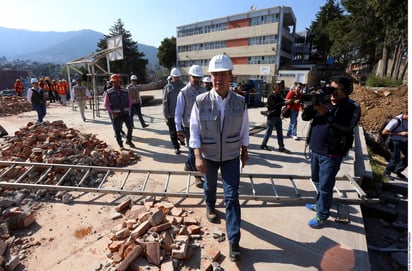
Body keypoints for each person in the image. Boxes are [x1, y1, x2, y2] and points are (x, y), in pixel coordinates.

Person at [190, 54, 249, 262]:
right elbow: (194, 129)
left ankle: (234, 241)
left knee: (232, 197)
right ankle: (210, 204)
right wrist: (197, 155)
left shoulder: (240, 101)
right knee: (210, 186)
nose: (218, 79)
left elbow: (244, 128)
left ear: (230, 76)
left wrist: (245, 149)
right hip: (210, 154)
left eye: (222, 74)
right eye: (214, 75)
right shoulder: (201, 101)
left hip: (232, 155)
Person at [302, 75, 361, 228]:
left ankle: (322, 214)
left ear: (346, 90)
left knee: (325, 185)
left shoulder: (351, 107)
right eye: (331, 87)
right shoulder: (325, 101)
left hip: (332, 153)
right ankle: (319, 204)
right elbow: (305, 117)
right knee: (316, 179)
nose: (332, 92)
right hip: (315, 150)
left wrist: (325, 114)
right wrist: (313, 104)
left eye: (336, 89)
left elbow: (346, 128)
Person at [175, 64, 206, 186]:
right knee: (193, 151)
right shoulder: (183, 93)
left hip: (202, 125)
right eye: (195, 77)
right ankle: (197, 176)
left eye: (199, 77)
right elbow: (178, 113)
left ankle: (188, 165)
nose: (197, 79)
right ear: (189, 77)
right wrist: (179, 130)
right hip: (188, 126)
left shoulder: (203, 90)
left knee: (198, 150)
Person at [104, 74, 135, 149]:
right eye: (114, 82)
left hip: (125, 113)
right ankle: (120, 145)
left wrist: (129, 109)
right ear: (112, 83)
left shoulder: (125, 91)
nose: (116, 83)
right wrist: (112, 112)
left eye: (117, 82)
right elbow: (106, 104)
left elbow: (130, 101)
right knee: (117, 131)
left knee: (130, 127)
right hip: (116, 114)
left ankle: (129, 140)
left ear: (119, 82)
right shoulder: (109, 92)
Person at [260, 82, 290, 153]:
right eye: (278, 89)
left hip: (278, 117)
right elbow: (274, 105)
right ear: (274, 89)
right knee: (268, 132)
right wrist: (285, 103)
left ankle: (281, 147)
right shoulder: (271, 96)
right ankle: (263, 145)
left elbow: (283, 101)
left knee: (280, 133)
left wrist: (289, 101)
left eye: (280, 89)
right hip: (272, 117)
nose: (280, 91)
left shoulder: (278, 96)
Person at [162, 68, 185, 154]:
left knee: (183, 129)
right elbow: (165, 102)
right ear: (172, 77)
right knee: (173, 132)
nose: (176, 78)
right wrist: (166, 115)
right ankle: (176, 147)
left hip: (182, 114)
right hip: (171, 114)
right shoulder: (168, 88)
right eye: (175, 77)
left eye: (178, 76)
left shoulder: (183, 86)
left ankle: (181, 139)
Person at [382, 111, 408, 180]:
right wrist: (400, 134)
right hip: (393, 141)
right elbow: (384, 132)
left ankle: (397, 170)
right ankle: (386, 173)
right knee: (395, 158)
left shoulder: (407, 120)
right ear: (405, 114)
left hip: (403, 141)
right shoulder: (396, 121)